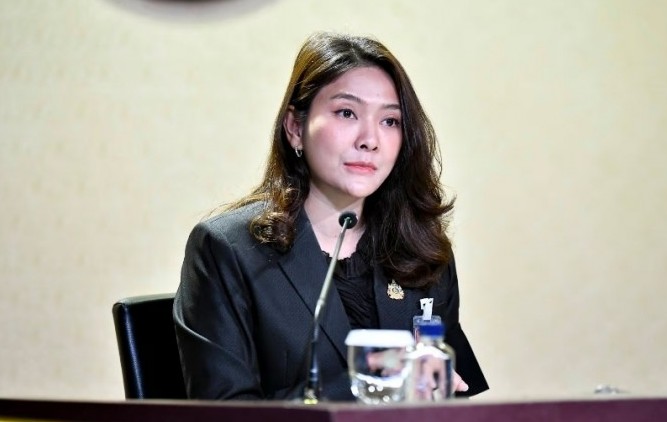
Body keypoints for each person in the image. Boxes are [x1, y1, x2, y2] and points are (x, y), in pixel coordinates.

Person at [173, 31, 489, 401]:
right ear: (296, 128)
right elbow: (226, 413)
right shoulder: (228, 250)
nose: (370, 139)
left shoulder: (422, 249)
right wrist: (374, 382)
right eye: (346, 113)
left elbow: (456, 396)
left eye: (390, 121)